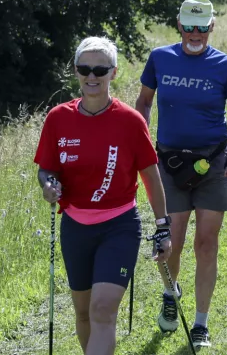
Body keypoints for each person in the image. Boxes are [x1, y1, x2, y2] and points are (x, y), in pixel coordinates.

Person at [35, 36, 172, 354]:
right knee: (83, 314)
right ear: (76, 71)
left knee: (102, 311)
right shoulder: (58, 118)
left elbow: (150, 175)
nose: (92, 76)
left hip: (119, 225)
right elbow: (46, 168)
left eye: (100, 69)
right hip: (75, 228)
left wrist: (163, 225)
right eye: (85, 68)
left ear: (113, 72)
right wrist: (48, 184)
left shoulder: (129, 121)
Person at [135, 0, 227, 349]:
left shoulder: (225, 66)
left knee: (207, 243)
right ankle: (171, 294)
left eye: (202, 27)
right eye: (189, 27)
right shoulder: (159, 59)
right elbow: (143, 102)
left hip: (213, 163)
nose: (195, 34)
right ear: (179, 25)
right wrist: (139, 140)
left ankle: (200, 323)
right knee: (172, 240)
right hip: (168, 164)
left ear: (212, 27)